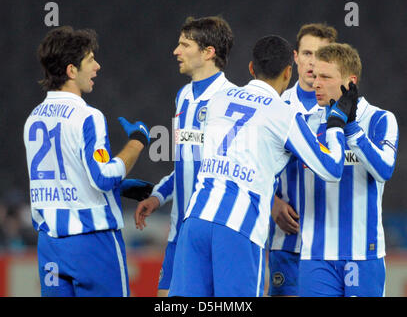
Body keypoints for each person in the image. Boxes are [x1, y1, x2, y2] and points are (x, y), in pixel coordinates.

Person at [168, 35, 356, 297]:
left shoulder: (218, 99)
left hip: (196, 219)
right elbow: (332, 169)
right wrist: (336, 122)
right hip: (238, 227)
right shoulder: (284, 114)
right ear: (288, 72)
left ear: (251, 68)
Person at [23, 26, 150, 297]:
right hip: (92, 243)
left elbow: (63, 177)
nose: (97, 67)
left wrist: (122, 187)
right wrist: (138, 141)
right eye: (90, 60)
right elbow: (103, 177)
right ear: (71, 70)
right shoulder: (86, 116)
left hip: (50, 246)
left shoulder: (34, 117)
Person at [134, 16, 235, 297]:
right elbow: (185, 162)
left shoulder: (231, 100)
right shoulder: (183, 97)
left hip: (215, 233)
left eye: (184, 44)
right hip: (180, 230)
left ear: (208, 52)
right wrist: (158, 195)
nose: (175, 51)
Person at [298, 43, 399, 297]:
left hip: (364, 253)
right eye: (314, 76)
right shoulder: (305, 123)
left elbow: (385, 169)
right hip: (316, 254)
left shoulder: (381, 119)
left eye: (325, 77)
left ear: (350, 81)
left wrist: (351, 128)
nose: (316, 84)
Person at [268, 23, 337, 297]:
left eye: (320, 55)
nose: (312, 62)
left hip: (333, 244)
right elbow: (252, 163)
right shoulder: (275, 106)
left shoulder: (344, 112)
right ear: (295, 57)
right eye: (307, 53)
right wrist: (272, 204)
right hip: (287, 242)